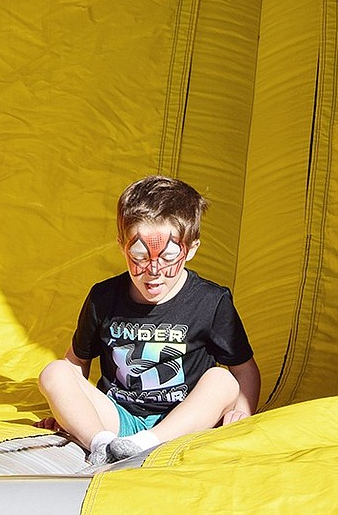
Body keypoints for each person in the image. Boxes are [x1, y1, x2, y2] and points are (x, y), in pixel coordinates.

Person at [37, 175, 261, 465]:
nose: (154, 269)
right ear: (122, 245)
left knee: (223, 380)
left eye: (168, 256)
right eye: (140, 255)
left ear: (191, 249)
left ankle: (143, 444)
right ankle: (100, 446)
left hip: (183, 422)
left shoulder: (210, 301)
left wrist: (241, 413)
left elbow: (244, 370)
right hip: (117, 420)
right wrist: (68, 411)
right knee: (54, 372)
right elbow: (75, 363)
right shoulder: (103, 298)